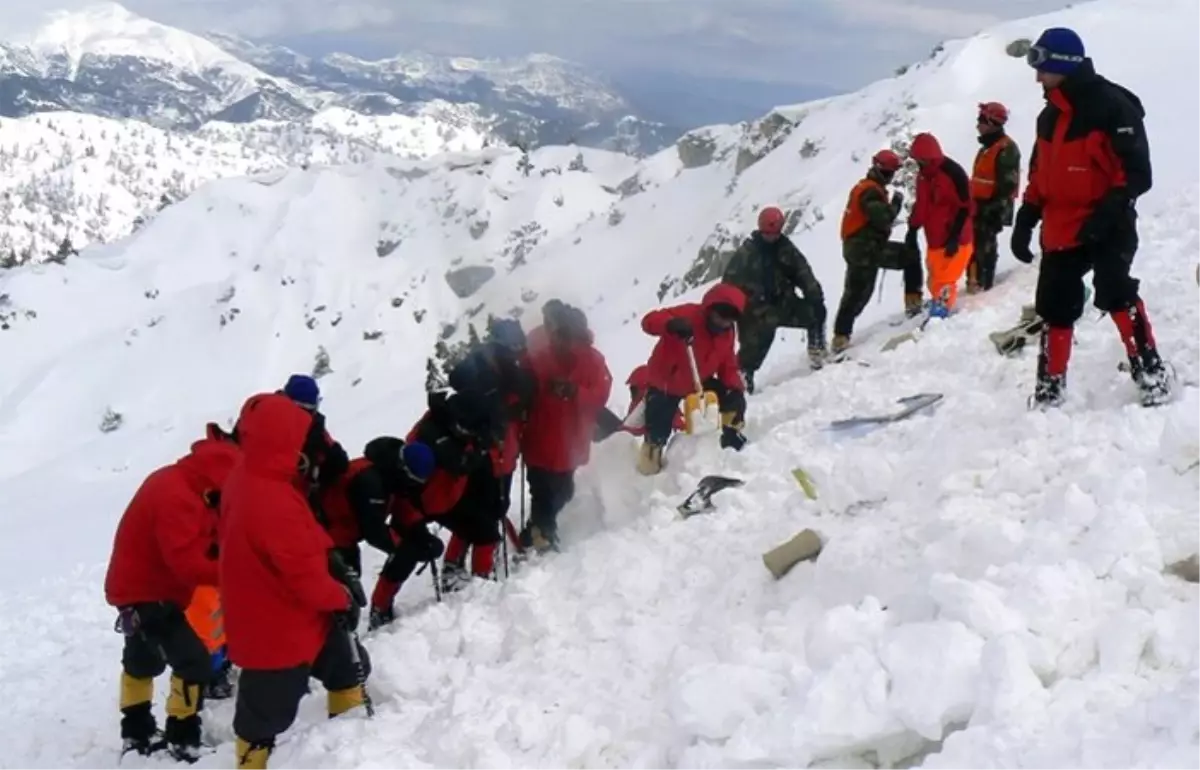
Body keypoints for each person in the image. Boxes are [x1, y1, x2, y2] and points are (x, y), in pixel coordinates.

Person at [1012, 27, 1171, 407]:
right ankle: (1050, 388)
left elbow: (1136, 173)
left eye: (1042, 67)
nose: (1037, 77)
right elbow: (1041, 175)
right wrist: (1027, 214)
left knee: (1115, 292)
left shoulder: (1113, 107)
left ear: (1063, 64)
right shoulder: (1049, 118)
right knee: (1054, 304)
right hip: (1062, 225)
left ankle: (1151, 373)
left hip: (1107, 222)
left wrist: (1107, 214)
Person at [218, 393, 369, 770]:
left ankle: (352, 747)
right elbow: (303, 575)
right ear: (283, 439)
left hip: (293, 616)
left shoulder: (253, 476)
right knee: (262, 717)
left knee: (346, 665)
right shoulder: (271, 498)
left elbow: (302, 542)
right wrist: (341, 596)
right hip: (275, 630)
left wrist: (330, 559)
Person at [103, 428, 241, 760]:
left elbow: (210, 537)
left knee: (141, 660)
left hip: (142, 588)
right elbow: (187, 564)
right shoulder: (177, 496)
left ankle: (136, 734)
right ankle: (183, 738)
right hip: (148, 593)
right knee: (193, 661)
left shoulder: (189, 485)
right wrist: (235, 572)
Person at [518, 302, 612, 552]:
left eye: (563, 333)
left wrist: (575, 392)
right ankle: (544, 535)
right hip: (539, 437)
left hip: (570, 443)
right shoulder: (539, 356)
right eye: (556, 332)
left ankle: (537, 528)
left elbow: (601, 396)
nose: (558, 338)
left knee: (563, 491)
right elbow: (521, 382)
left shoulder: (593, 361)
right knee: (540, 490)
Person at [635, 283, 748, 476]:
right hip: (666, 381)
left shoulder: (727, 333)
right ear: (710, 308)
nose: (723, 323)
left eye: (729, 319)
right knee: (658, 430)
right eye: (720, 316)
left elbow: (727, 363)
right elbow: (648, 321)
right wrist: (670, 325)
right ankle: (650, 469)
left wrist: (734, 387)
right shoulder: (688, 315)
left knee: (733, 401)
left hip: (698, 381)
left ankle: (728, 438)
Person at [721, 206, 828, 392]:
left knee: (815, 313)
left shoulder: (785, 248)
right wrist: (730, 312)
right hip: (753, 311)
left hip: (783, 303)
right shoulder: (747, 254)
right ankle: (743, 375)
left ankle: (816, 350)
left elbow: (802, 271)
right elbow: (728, 285)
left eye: (775, 233)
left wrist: (814, 293)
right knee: (753, 345)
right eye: (768, 233)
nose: (772, 237)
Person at [832, 149, 923, 355]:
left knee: (856, 293)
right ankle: (913, 301)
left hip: (856, 248)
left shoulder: (863, 187)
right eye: (891, 172)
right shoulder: (871, 192)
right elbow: (883, 217)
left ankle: (841, 336)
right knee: (910, 256)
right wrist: (896, 204)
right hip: (867, 248)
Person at [315, 436, 439, 577]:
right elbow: (374, 531)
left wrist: (420, 531)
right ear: (404, 470)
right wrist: (406, 548)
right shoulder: (371, 482)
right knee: (343, 590)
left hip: (344, 534)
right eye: (413, 480)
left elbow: (402, 504)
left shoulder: (389, 470)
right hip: (328, 536)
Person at [907, 132, 974, 313]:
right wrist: (913, 228)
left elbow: (966, 207)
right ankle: (938, 300)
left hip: (955, 238)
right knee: (934, 276)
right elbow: (922, 205)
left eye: (921, 160)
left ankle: (942, 310)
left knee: (946, 278)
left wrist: (955, 236)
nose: (918, 163)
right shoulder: (923, 177)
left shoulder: (953, 174)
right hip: (935, 238)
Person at [968, 102, 1022, 293]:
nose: (978, 125)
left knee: (985, 243)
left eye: (981, 120)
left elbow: (1006, 184)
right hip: (980, 204)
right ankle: (976, 281)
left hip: (993, 206)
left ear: (992, 122)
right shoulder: (988, 148)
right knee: (975, 243)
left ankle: (984, 283)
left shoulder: (1005, 148)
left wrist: (996, 209)